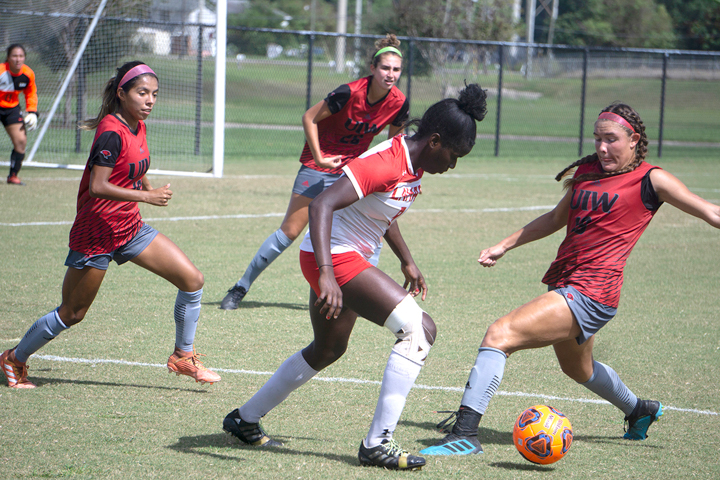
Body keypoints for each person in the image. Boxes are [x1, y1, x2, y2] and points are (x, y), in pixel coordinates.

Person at [420, 102, 720, 456]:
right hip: (565, 284)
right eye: (597, 139)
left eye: (611, 139)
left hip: (593, 292)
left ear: (634, 139)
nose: (602, 147)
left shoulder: (652, 179)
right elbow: (553, 219)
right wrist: (504, 245)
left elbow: (710, 211)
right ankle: (639, 410)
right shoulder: (587, 171)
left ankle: (465, 434)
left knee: (500, 334)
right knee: (578, 369)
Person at [222, 84, 488, 470]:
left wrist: (406, 260)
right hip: (333, 258)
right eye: (454, 154)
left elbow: (379, 211)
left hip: (341, 257)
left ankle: (243, 419)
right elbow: (322, 204)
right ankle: (377, 444)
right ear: (434, 141)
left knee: (328, 349)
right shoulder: (387, 161)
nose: (453, 164)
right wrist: (328, 275)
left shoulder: (411, 163)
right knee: (419, 330)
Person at [0, 61, 221, 389]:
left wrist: (145, 184)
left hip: (129, 226)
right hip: (96, 233)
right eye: (142, 93)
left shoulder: (138, 124)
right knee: (72, 313)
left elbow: (134, 164)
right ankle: (13, 358)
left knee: (192, 280)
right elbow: (98, 186)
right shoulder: (110, 131)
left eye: (154, 95)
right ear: (122, 93)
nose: (149, 101)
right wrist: (147, 197)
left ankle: (183, 356)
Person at [220, 34, 410, 310]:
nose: (390, 74)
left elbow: (395, 145)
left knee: (369, 230)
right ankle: (239, 288)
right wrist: (320, 157)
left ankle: (356, 298)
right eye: (385, 68)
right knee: (289, 231)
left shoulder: (399, 102)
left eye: (396, 69)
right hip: (318, 165)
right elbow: (309, 117)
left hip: (353, 174)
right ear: (373, 68)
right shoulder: (349, 92)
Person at [1, 44, 38, 185]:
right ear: (8, 58)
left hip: (11, 108)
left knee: (21, 141)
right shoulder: (1, 71)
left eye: (21, 56)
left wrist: (32, 112)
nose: (18, 59)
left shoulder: (28, 74)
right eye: (14, 56)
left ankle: (13, 176)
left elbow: (31, 93)